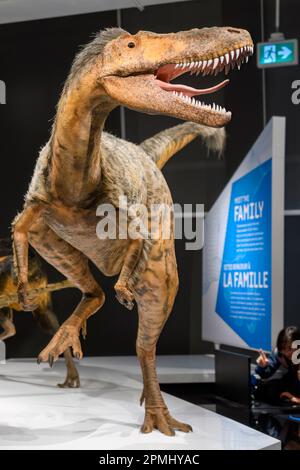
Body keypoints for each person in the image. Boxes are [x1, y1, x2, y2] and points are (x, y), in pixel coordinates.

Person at [252, 326, 300, 405]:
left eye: (290, 349)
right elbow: (265, 374)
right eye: (284, 349)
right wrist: (262, 367)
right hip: (292, 378)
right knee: (268, 388)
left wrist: (297, 400)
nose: (287, 353)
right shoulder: (279, 353)